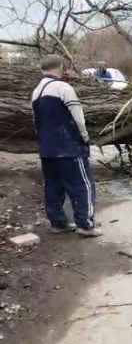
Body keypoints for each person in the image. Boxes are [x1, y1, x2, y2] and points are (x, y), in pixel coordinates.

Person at [31, 54, 102, 237]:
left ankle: (58, 223)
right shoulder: (63, 87)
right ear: (61, 67)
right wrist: (84, 137)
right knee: (82, 186)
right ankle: (85, 225)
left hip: (47, 149)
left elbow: (35, 121)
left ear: (42, 69)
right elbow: (77, 116)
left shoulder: (36, 92)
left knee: (53, 186)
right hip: (69, 147)